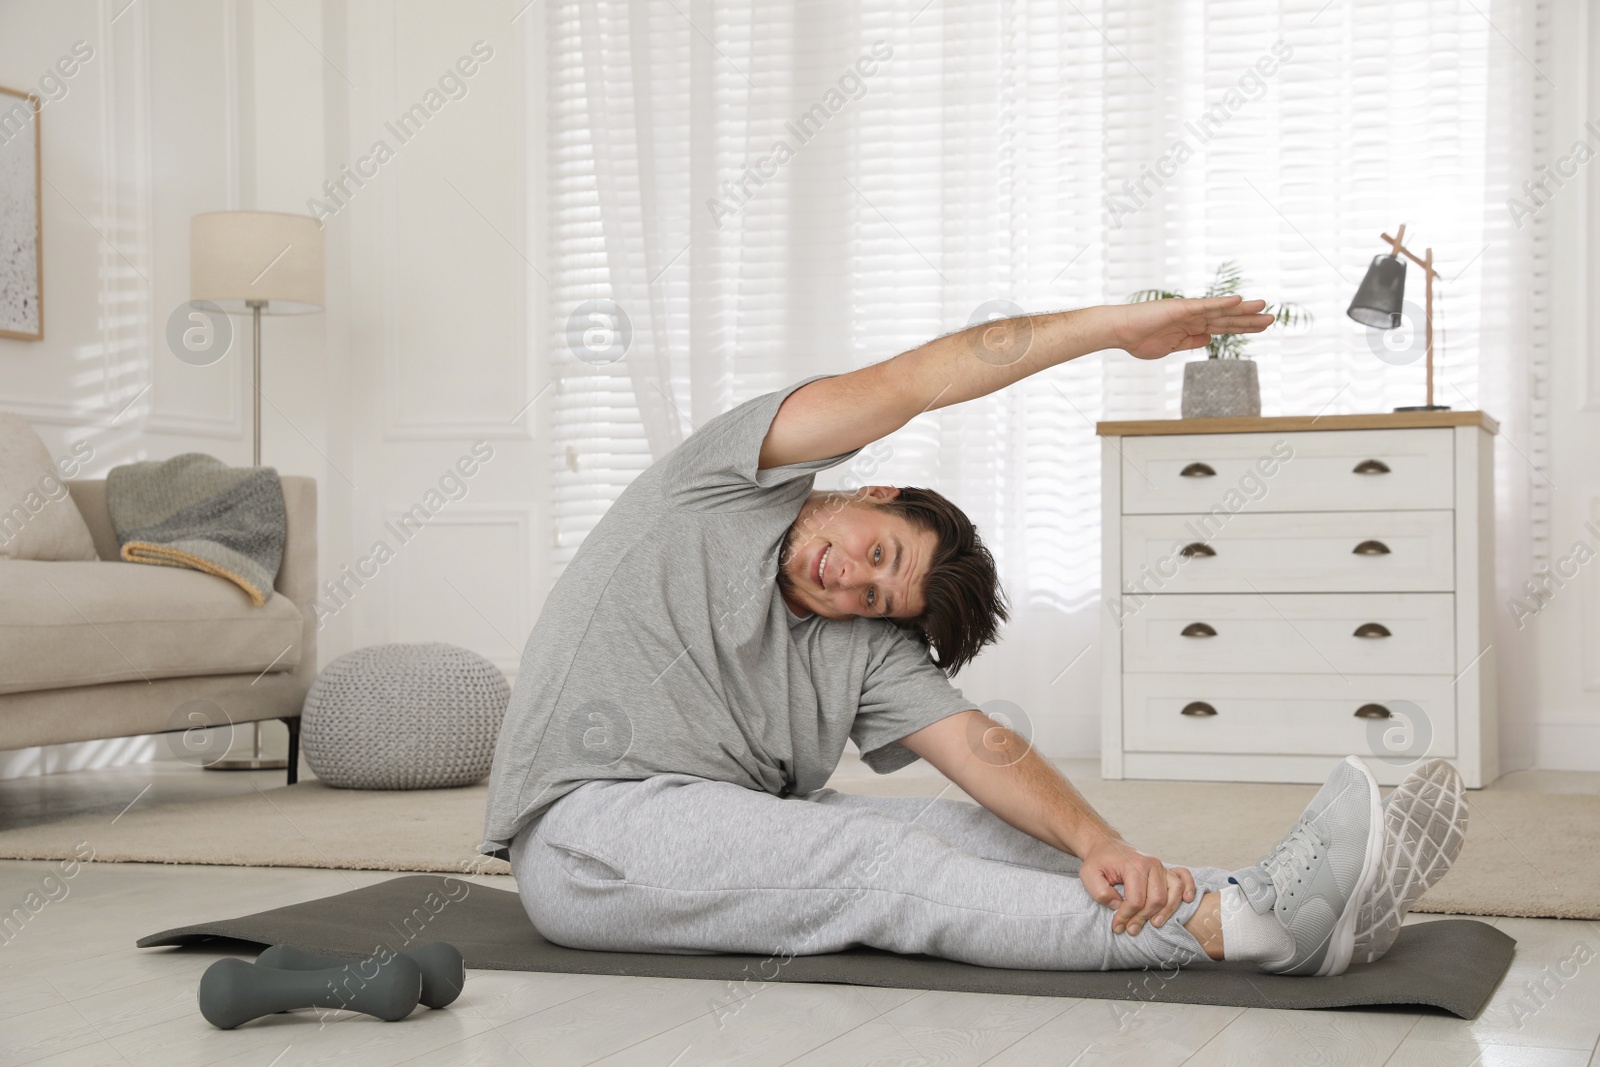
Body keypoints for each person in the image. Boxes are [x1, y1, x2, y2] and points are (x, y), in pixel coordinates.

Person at [480, 295, 1467, 976]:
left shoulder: (860, 644)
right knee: (883, 869)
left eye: (877, 594)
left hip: (699, 830)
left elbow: (981, 749)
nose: (851, 579)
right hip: (587, 837)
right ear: (870, 493)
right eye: (875, 551)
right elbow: (922, 378)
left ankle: (1287, 895)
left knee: (973, 831)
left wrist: (1104, 842)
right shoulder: (719, 489)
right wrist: (1116, 327)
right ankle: (1233, 927)